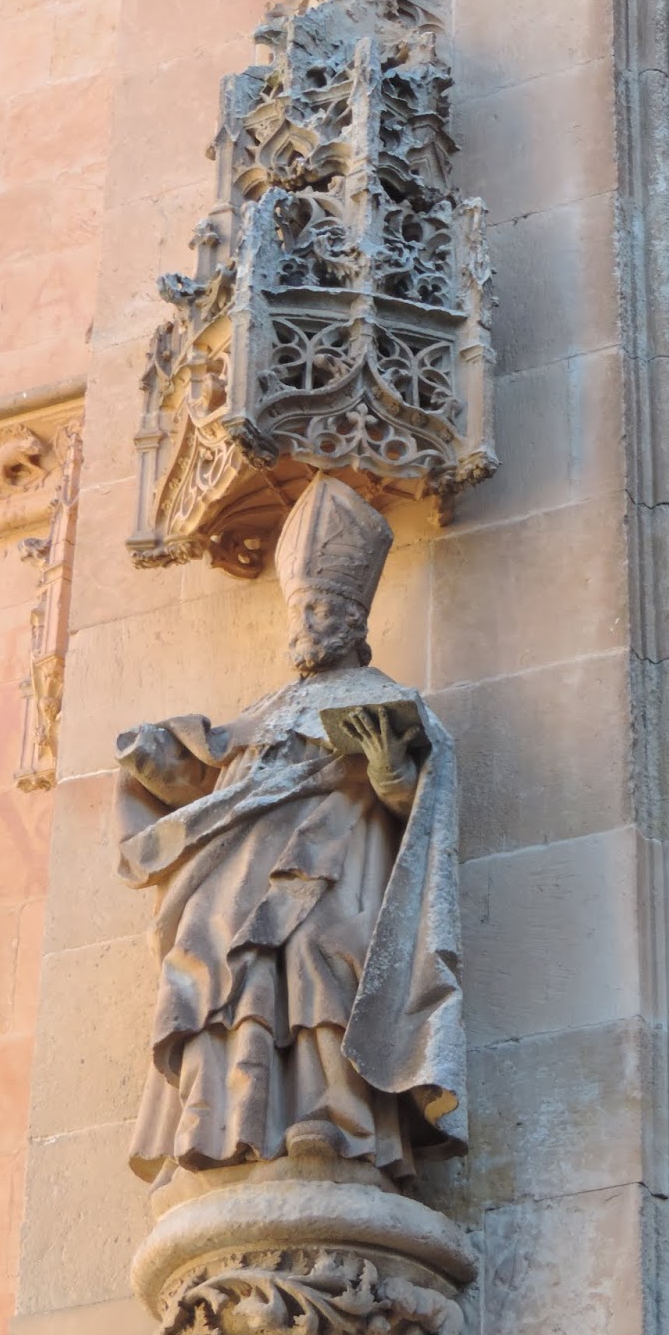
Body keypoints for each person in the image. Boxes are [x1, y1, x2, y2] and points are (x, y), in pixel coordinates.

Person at [117, 472, 465, 1190]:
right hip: (241, 869)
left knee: (318, 953)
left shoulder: (383, 698)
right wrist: (155, 759)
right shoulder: (266, 709)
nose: (306, 625)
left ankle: (337, 1119)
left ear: (355, 624)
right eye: (300, 611)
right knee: (209, 950)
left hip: (338, 863)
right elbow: (218, 785)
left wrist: (387, 770)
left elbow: (420, 807)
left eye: (323, 611)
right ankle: (222, 1119)